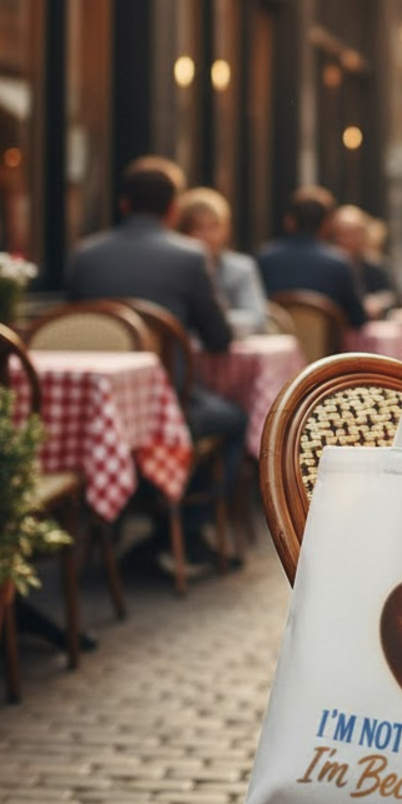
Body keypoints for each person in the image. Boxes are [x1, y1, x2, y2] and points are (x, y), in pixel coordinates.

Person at [66, 155, 248, 572]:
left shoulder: (85, 255)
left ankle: (114, 525)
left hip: (99, 412)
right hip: (169, 406)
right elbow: (219, 338)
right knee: (236, 420)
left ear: (123, 204)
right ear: (172, 210)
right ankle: (183, 531)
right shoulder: (189, 257)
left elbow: (77, 329)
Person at [255, 184, 367, 328]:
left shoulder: (264, 258)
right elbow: (359, 319)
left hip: (276, 343)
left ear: (289, 221)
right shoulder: (340, 263)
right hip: (331, 350)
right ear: (327, 225)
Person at [175, 186, 269, 337]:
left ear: (226, 229)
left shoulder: (241, 268)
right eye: (199, 228)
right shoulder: (177, 268)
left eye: (214, 226)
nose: (208, 236)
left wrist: (214, 322)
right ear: (184, 231)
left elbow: (257, 318)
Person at [327, 203, 397, 318]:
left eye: (354, 233)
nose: (349, 240)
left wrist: (379, 302)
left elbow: (392, 296)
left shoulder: (374, 265)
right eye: (344, 233)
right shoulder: (330, 265)